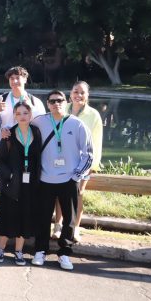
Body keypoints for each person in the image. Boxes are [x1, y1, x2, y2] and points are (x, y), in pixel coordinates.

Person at [30, 90, 93, 271]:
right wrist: (5, 132)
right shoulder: (39, 121)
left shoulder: (77, 124)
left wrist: (77, 175)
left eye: (60, 100)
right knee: (42, 217)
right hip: (45, 179)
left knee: (69, 219)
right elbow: (22, 129)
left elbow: (88, 153)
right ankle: (40, 250)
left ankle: (64, 252)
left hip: (68, 179)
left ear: (65, 102)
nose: (56, 104)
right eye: (52, 101)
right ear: (47, 104)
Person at [52, 81, 103, 242]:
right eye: (75, 91)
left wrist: (91, 166)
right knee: (60, 193)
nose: (78, 95)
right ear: (70, 94)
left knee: (78, 194)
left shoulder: (93, 115)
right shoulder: (62, 108)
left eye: (82, 92)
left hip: (83, 162)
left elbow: (96, 142)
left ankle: (75, 228)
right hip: (61, 160)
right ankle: (58, 226)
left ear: (87, 96)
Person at [0, 101, 42, 265]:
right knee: (7, 215)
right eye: (18, 113)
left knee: (25, 216)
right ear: (14, 115)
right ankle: (0, 248)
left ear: (30, 115)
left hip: (31, 184)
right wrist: (11, 175)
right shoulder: (8, 135)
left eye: (25, 113)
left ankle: (19, 251)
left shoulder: (36, 132)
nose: (22, 116)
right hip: (11, 185)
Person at [0, 67, 46, 141]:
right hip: (7, 145)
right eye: (11, 78)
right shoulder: (1, 99)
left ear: (25, 79)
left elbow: (41, 126)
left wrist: (31, 109)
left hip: (28, 145)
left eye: (18, 78)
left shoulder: (35, 102)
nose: (14, 81)